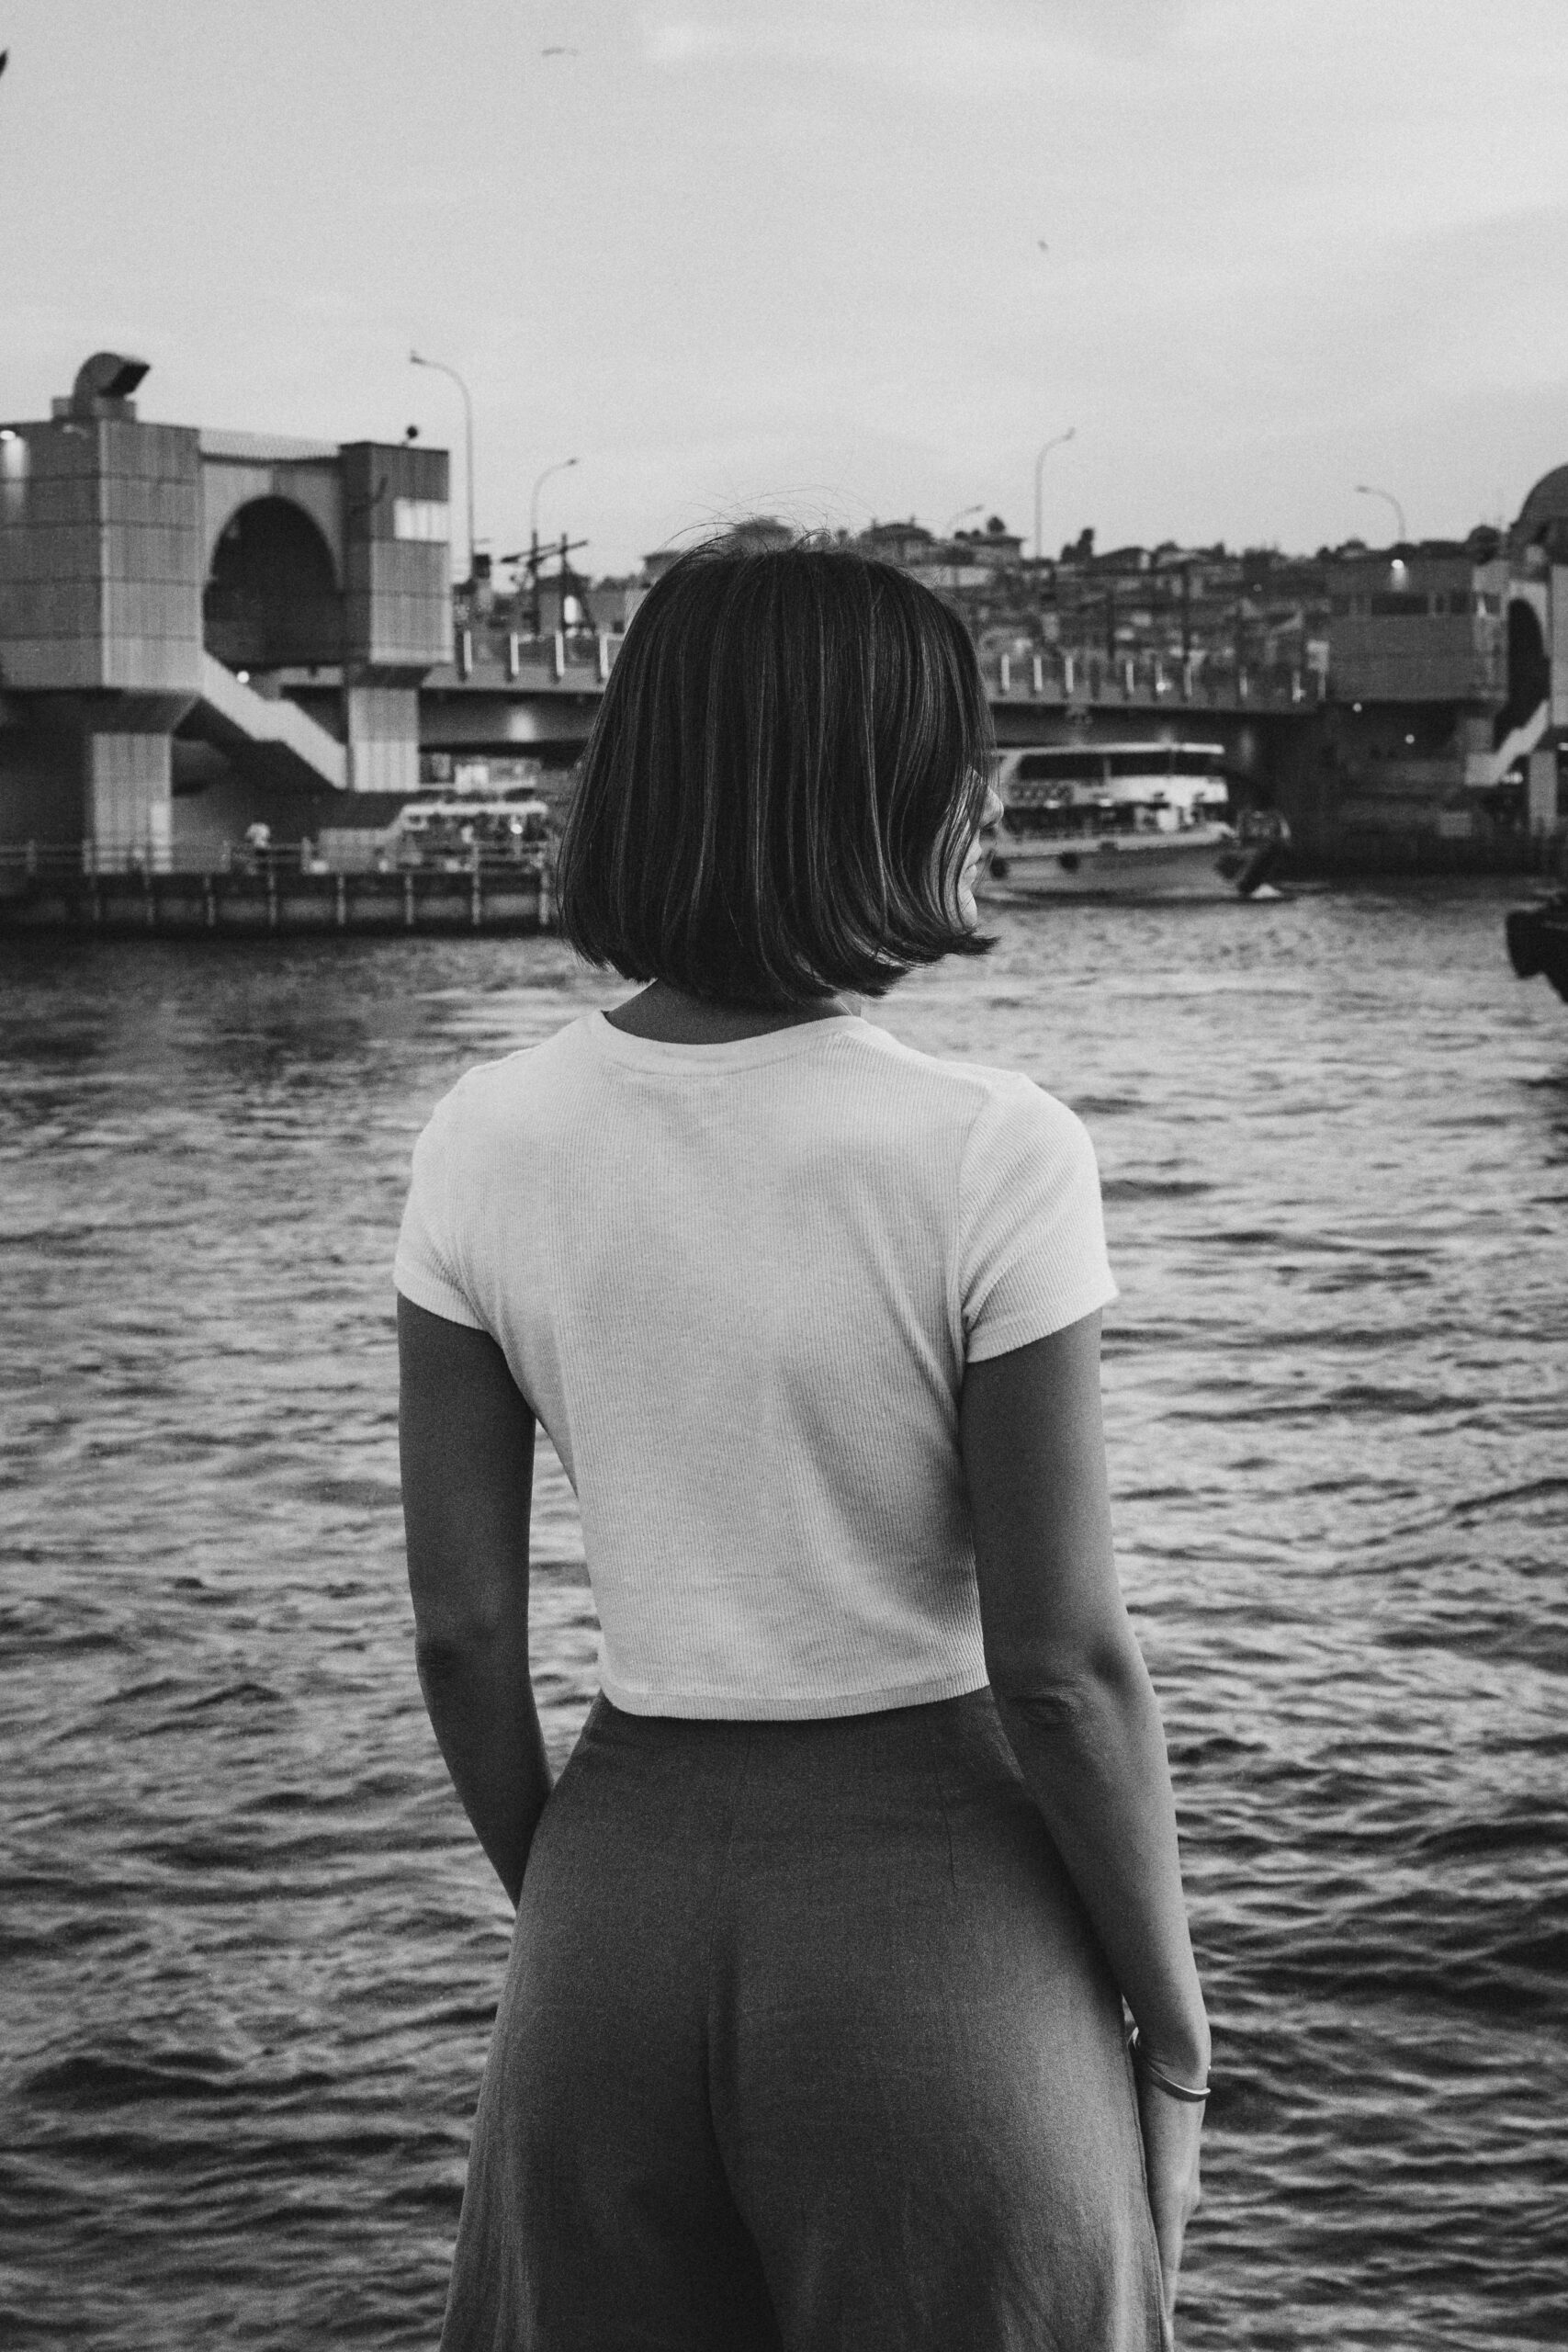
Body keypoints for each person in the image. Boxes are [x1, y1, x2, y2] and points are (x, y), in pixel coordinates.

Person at [394, 535, 1210, 2352]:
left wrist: (581, 1907)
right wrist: (1172, 2029)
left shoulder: (483, 1136)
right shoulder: (989, 1147)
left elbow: (460, 1629)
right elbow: (1062, 1669)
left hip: (605, 1912)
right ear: (884, 791)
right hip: (935, 1933)